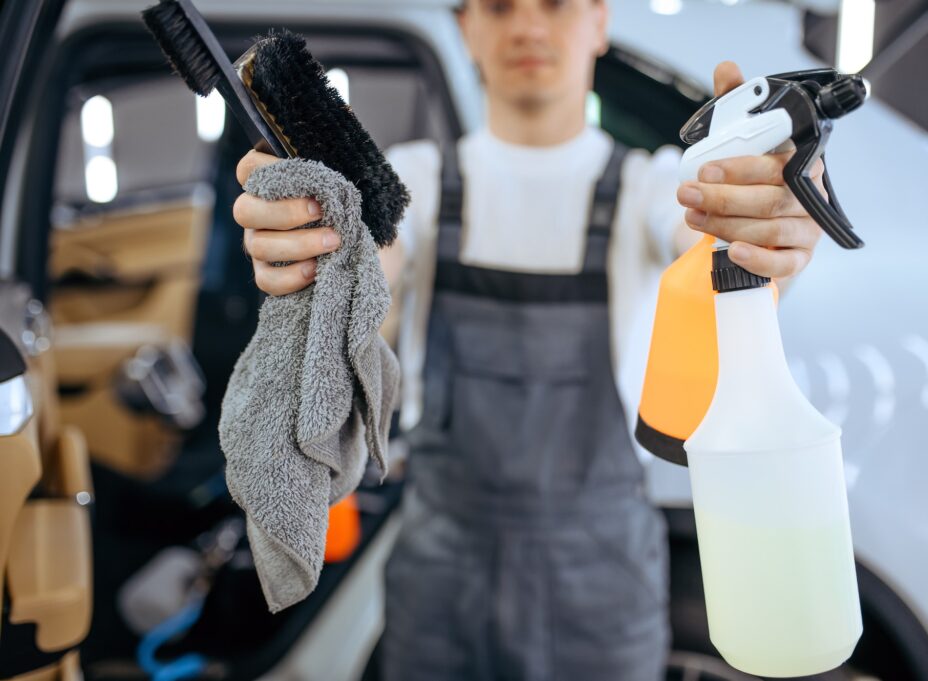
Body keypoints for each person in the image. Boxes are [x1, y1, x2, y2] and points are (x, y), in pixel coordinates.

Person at [232, 0, 828, 678]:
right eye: (499, 5)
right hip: (441, 583)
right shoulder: (415, 184)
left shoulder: (653, 189)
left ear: (599, 21)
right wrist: (313, 256)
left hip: (601, 586)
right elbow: (372, 272)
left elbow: (714, 235)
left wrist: (762, 220)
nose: (528, 26)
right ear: (466, 27)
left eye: (555, 4)